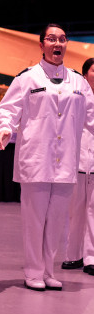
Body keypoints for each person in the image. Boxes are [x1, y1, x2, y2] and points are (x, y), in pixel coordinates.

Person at [0, 24, 94, 291]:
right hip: (36, 161)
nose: (57, 44)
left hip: (66, 164)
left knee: (57, 222)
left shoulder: (78, 81)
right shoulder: (27, 78)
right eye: (51, 39)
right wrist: (4, 129)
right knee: (35, 221)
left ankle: (48, 271)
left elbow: (92, 118)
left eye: (62, 39)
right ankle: (33, 272)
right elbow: (7, 110)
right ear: (42, 45)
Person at [62, 57, 94, 276]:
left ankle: (91, 257)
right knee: (74, 212)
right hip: (77, 162)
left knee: (93, 211)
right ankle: (73, 255)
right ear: (85, 74)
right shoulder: (76, 95)